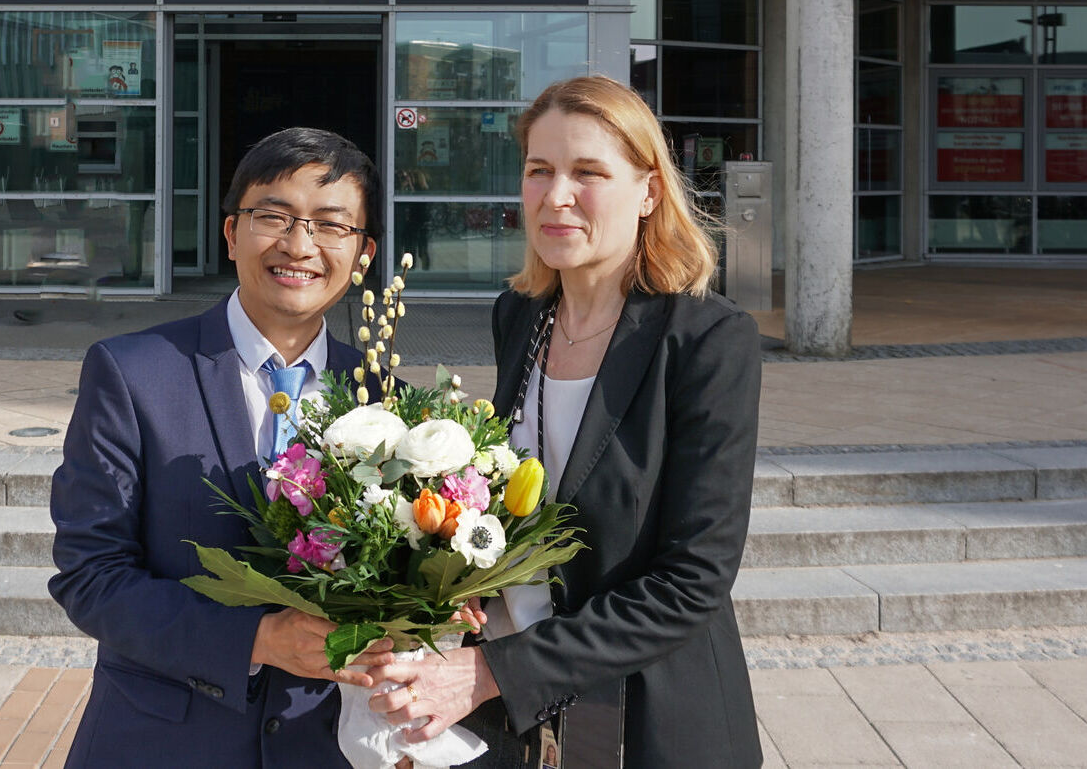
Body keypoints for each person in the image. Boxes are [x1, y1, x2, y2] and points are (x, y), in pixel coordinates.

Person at [367, 75, 764, 769]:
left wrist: (494, 671)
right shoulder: (519, 314)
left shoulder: (706, 338)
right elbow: (523, 499)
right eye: (537, 170)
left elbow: (694, 577)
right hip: (513, 722)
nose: (556, 196)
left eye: (588, 172)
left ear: (647, 191)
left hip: (647, 719)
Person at [49, 126, 394, 769]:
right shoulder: (133, 373)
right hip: (162, 744)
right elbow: (90, 574)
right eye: (275, 217)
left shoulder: (386, 398)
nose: (300, 245)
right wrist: (259, 639)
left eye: (330, 225)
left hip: (327, 750)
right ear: (232, 233)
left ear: (364, 253)